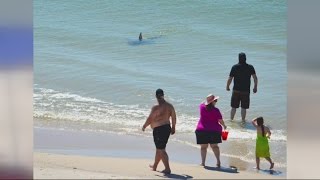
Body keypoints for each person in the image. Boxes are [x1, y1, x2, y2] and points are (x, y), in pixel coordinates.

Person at [142, 89, 176, 174]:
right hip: (167, 128)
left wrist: (144, 126)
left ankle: (167, 169)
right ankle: (155, 166)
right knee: (159, 149)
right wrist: (173, 128)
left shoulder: (156, 107)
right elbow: (174, 117)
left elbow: (150, 118)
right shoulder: (169, 106)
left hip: (159, 130)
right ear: (163, 95)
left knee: (161, 149)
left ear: (156, 96)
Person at [195, 94, 227, 167]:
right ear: (212, 102)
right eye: (215, 100)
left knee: (203, 147)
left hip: (201, 130)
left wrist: (207, 100)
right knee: (215, 146)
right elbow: (220, 120)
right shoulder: (216, 110)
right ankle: (218, 162)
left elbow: (202, 103)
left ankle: (203, 163)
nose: (216, 101)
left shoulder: (201, 107)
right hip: (214, 131)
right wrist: (224, 126)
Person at [226, 52, 258, 122]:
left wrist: (227, 86)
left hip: (236, 90)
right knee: (244, 108)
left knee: (233, 107)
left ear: (238, 58)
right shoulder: (250, 67)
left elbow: (230, 78)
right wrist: (255, 87)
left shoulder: (234, 67)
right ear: (245, 58)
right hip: (246, 91)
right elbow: (255, 78)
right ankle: (243, 121)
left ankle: (231, 120)